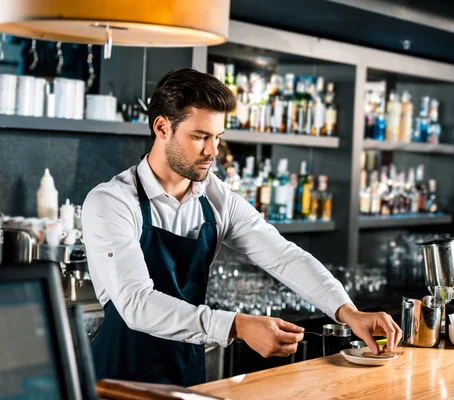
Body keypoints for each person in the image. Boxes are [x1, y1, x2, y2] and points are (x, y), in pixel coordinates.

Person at [82, 68, 401, 387]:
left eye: (218, 137)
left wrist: (347, 312)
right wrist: (238, 325)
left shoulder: (215, 197)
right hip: (118, 381)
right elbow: (137, 303)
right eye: (200, 137)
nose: (213, 151)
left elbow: (284, 257)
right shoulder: (112, 202)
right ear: (162, 127)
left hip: (187, 375)